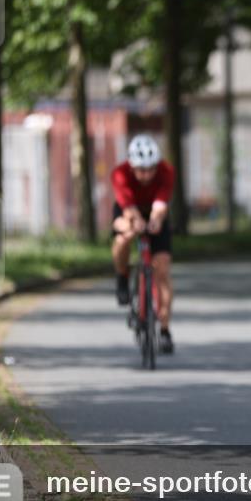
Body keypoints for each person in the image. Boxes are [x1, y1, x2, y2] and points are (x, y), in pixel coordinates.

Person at [111, 134, 176, 354]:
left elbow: (160, 205)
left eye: (150, 169)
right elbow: (127, 207)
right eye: (141, 170)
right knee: (123, 236)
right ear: (131, 166)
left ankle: (165, 329)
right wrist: (136, 223)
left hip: (154, 211)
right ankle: (122, 276)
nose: (146, 175)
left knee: (163, 269)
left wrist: (156, 221)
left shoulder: (166, 171)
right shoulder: (120, 174)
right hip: (129, 210)